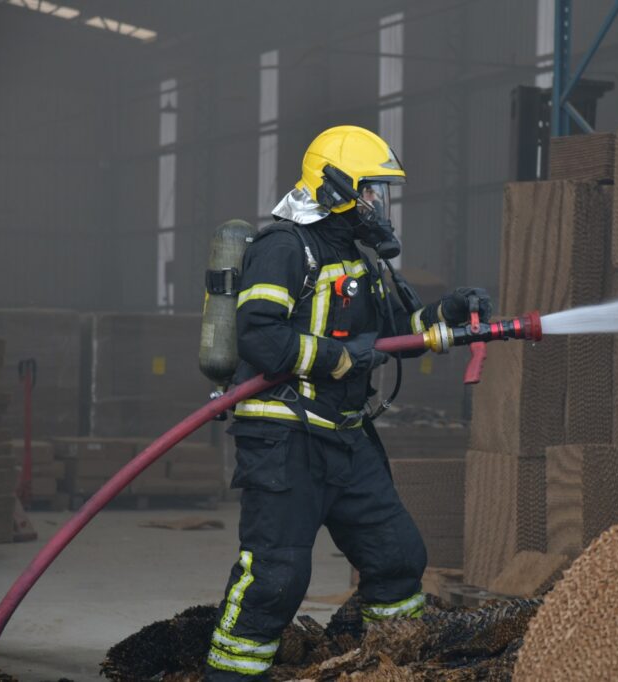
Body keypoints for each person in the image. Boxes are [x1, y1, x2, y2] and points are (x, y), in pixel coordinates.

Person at [205, 125, 492, 679]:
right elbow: (260, 336)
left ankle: (377, 662)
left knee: (399, 559)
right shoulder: (283, 249)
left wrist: (449, 313)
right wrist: (339, 359)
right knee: (277, 577)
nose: (377, 203)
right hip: (284, 439)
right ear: (335, 187)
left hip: (346, 438)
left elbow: (397, 332)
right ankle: (230, 674)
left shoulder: (362, 262)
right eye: (370, 189)